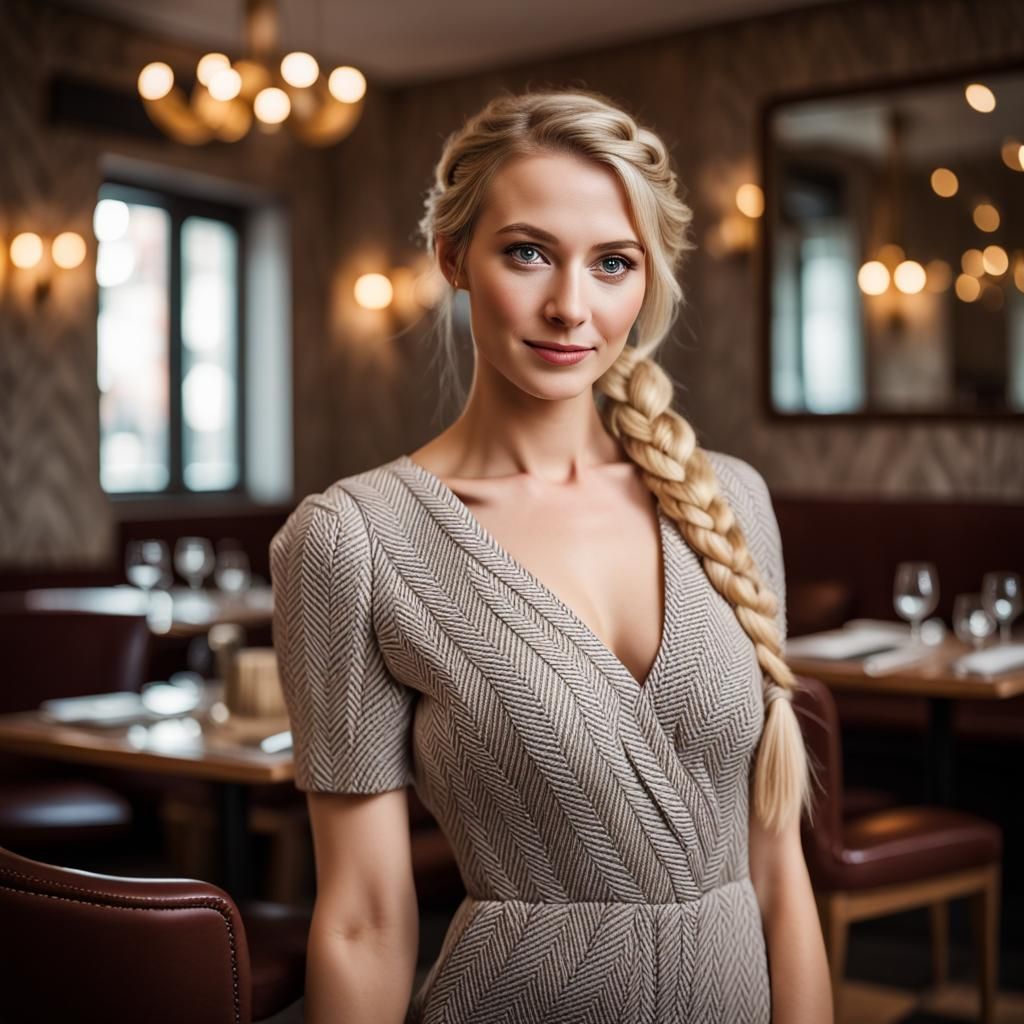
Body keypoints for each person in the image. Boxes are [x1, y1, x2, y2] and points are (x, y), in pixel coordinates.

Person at [270, 87, 832, 1024]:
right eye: (527, 253)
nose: (571, 306)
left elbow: (778, 872)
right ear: (453, 258)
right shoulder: (351, 541)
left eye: (613, 263)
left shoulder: (729, 500)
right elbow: (365, 918)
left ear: (647, 280)